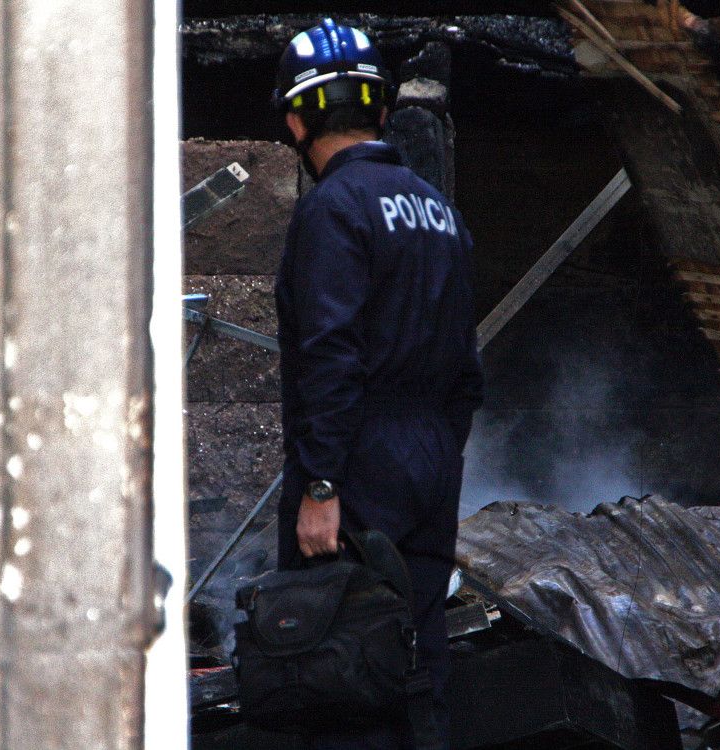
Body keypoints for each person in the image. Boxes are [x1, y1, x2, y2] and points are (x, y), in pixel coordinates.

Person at [273, 18, 483, 750]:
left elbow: (331, 355)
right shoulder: (441, 213)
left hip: (359, 457)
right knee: (419, 667)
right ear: (383, 110)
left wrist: (323, 484)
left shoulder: (335, 209)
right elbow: (467, 370)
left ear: (298, 119)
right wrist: (435, 452)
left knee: (336, 664)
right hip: (431, 456)